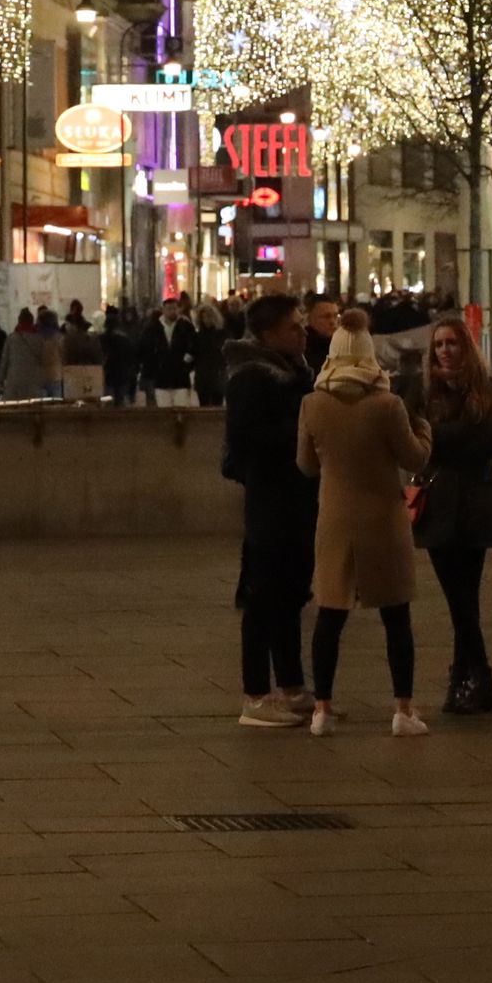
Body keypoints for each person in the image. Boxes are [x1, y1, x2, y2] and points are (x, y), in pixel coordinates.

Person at [295, 317, 433, 738]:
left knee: (330, 616)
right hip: (383, 520)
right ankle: (403, 709)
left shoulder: (312, 404)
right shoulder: (387, 405)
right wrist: (423, 428)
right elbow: (415, 458)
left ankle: (322, 709)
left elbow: (305, 465)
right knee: (396, 615)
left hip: (334, 519)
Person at [219, 291, 319, 727]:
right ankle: (256, 695)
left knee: (291, 595)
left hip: (298, 498)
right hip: (271, 500)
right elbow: (245, 440)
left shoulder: (294, 370)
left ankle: (292, 686)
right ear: (267, 334)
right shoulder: (252, 376)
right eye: (293, 326)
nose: (303, 332)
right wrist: (301, 426)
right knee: (264, 598)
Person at [416, 318, 492, 712]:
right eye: (439, 345)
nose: (445, 351)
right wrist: (451, 437)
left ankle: (473, 677)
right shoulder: (424, 394)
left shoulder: (485, 392)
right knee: (458, 600)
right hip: (436, 506)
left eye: (452, 343)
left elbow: (487, 442)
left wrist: (439, 438)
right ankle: (469, 678)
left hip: (472, 506)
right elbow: (414, 440)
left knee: (465, 597)